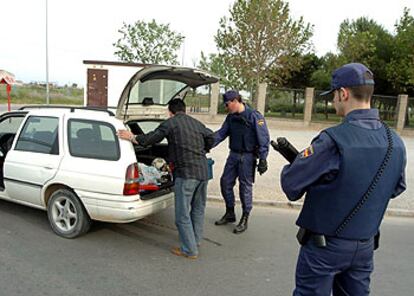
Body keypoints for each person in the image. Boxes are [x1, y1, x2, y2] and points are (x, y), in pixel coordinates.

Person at [280, 63, 407, 295]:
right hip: (365, 245)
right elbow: (395, 188)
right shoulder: (396, 142)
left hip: (325, 247)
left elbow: (291, 185)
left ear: (343, 93)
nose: (333, 101)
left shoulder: (332, 140)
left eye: (334, 96)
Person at [118, 99, 214, 259]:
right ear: (184, 109)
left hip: (186, 174)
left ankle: (189, 250)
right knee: (198, 209)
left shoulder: (171, 123)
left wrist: (131, 137)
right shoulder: (196, 123)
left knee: (182, 215)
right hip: (203, 172)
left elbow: (150, 139)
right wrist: (203, 149)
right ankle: (195, 241)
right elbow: (211, 137)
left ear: (170, 111)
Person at [213, 90, 270, 234]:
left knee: (245, 188)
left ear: (235, 101)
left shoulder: (254, 116)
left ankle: (245, 218)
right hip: (233, 155)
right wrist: (206, 144)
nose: (226, 107)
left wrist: (263, 158)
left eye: (227, 104)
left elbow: (263, 138)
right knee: (225, 182)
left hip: (247, 157)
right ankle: (230, 212)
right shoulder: (231, 118)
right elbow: (221, 134)